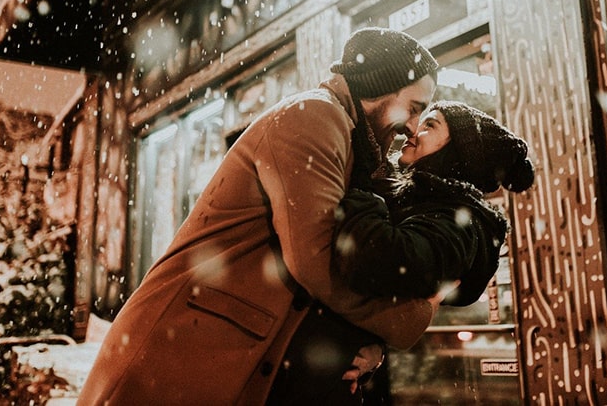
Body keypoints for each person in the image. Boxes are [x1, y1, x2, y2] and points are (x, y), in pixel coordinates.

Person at [78, 27, 440, 405]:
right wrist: (408, 317)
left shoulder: (352, 141)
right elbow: (315, 261)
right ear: (380, 87)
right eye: (414, 108)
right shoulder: (315, 117)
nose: (414, 126)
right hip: (180, 355)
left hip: (214, 358)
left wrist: (369, 343)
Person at [333, 100, 535, 315]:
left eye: (429, 125)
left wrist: (363, 188)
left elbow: (382, 262)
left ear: (456, 151)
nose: (411, 132)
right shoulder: (421, 200)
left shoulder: (458, 221)